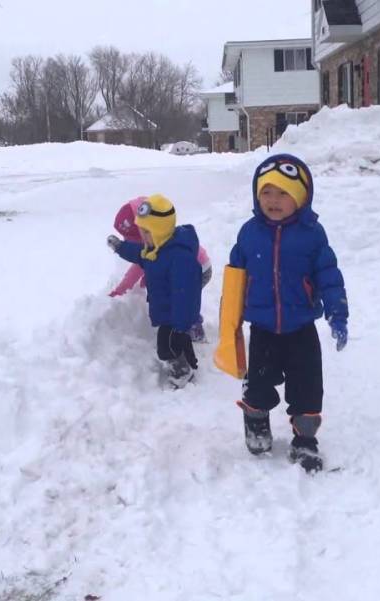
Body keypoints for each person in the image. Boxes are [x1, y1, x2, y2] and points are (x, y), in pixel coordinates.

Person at [219, 153, 348, 472]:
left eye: (283, 193)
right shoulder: (249, 233)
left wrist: (338, 313)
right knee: (259, 384)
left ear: (301, 198)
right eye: (266, 192)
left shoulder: (312, 235)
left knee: (308, 387)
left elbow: (328, 276)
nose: (273, 200)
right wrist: (229, 323)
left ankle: (305, 441)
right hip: (263, 328)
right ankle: (256, 420)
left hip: (301, 326)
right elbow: (235, 278)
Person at [108, 194, 203, 388]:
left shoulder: (178, 258)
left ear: (160, 230)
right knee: (176, 343)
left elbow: (185, 296)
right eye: (141, 230)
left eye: (146, 231)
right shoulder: (154, 249)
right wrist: (120, 247)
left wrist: (181, 325)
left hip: (174, 316)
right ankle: (184, 359)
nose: (142, 236)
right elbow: (138, 254)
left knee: (166, 347)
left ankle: (182, 374)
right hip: (168, 312)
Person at [109, 198, 212, 342]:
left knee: (183, 299)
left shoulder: (163, 246)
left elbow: (139, 268)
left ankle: (193, 329)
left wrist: (121, 289)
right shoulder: (155, 237)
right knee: (178, 298)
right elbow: (147, 261)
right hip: (182, 269)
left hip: (199, 270)